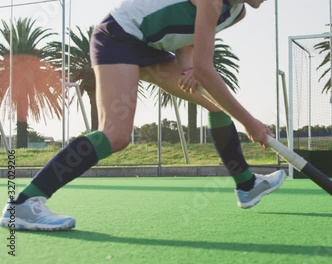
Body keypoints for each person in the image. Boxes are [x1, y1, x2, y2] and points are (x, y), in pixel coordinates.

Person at [1, 0, 286, 231]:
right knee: (116, 135)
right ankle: (24, 204)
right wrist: (250, 122)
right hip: (118, 37)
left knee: (214, 104)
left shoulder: (236, 12)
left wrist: (188, 67)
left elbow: (186, 38)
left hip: (152, 47)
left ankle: (247, 186)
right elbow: (206, 69)